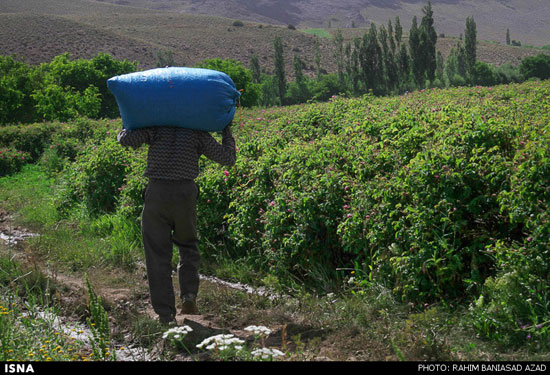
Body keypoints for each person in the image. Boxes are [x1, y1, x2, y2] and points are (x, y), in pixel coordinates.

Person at [117, 123, 236, 324]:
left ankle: (165, 314)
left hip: (157, 192)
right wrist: (226, 131)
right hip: (185, 193)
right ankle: (188, 296)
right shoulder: (197, 132)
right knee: (188, 244)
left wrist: (126, 123)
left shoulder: (155, 127)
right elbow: (228, 159)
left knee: (157, 253)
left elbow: (126, 140)